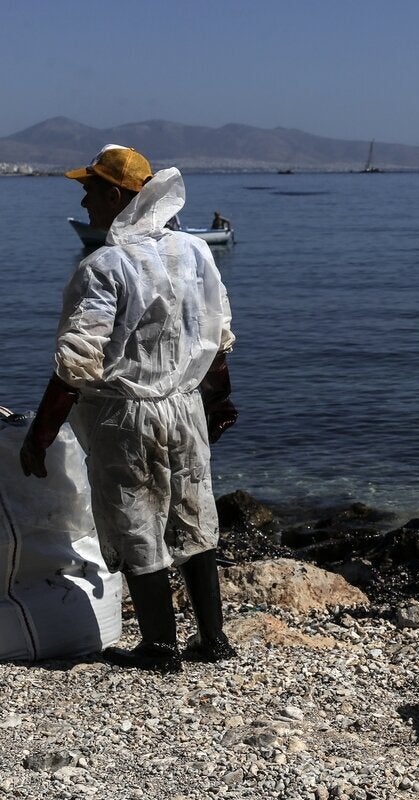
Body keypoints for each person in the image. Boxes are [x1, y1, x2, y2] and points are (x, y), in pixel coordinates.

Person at [20, 144, 239, 673]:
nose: (85, 201)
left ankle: (160, 647)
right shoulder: (194, 252)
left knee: (135, 518)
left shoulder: (104, 266)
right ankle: (213, 639)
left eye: (90, 190)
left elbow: (77, 363)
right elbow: (217, 337)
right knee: (193, 514)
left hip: (126, 416)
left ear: (116, 196)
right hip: (185, 406)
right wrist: (219, 403)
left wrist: (40, 436)